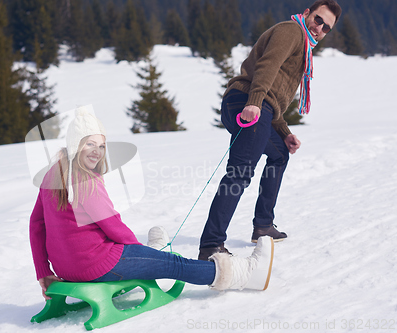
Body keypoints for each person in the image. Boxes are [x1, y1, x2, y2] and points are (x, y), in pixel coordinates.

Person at [29, 107, 275, 299]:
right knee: (175, 264)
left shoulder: (53, 173)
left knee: (152, 259)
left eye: (101, 145)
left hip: (67, 269)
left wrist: (44, 272)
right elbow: (112, 226)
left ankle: (154, 253)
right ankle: (246, 274)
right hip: (96, 265)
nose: (97, 151)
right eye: (90, 144)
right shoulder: (85, 179)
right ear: (75, 145)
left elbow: (36, 224)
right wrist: (140, 252)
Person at [198, 0, 342, 260]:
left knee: (279, 153)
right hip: (248, 101)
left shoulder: (304, 47)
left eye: (327, 28)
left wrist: (284, 132)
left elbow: (273, 99)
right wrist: (253, 102)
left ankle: (263, 225)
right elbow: (268, 65)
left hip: (255, 104)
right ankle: (211, 245)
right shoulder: (292, 31)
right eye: (318, 20)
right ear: (307, 13)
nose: (320, 28)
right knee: (239, 174)